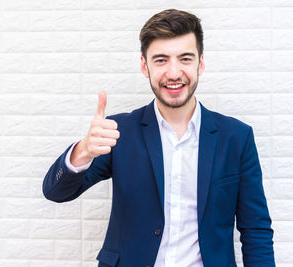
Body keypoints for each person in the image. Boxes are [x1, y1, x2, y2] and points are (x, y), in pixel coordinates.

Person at [42, 9, 275, 267]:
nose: (174, 73)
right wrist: (84, 150)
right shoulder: (119, 131)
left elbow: (256, 230)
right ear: (145, 66)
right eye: (161, 60)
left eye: (185, 59)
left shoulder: (237, 138)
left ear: (201, 64)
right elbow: (55, 192)